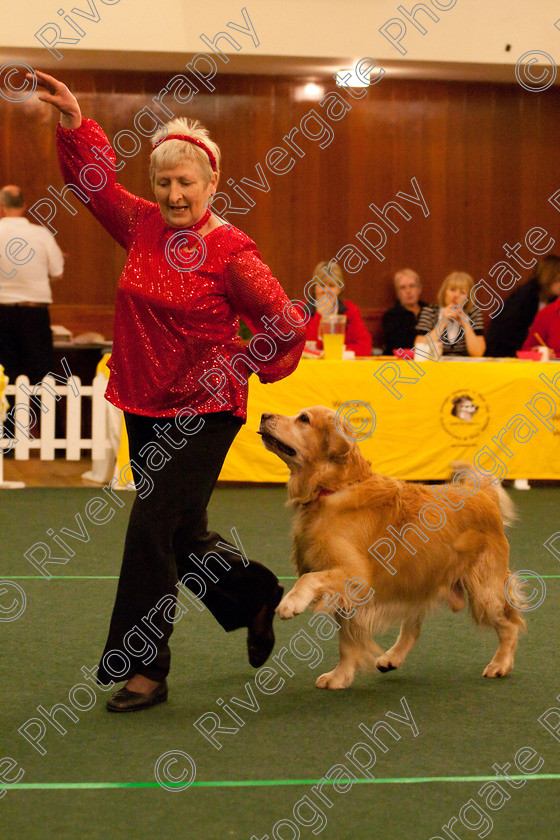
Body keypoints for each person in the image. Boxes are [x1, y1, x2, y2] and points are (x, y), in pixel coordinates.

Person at [33, 70, 306, 712]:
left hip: (204, 409)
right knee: (181, 535)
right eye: (164, 182)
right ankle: (252, 594)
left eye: (187, 182)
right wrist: (77, 124)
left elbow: (286, 324)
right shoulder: (143, 225)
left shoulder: (232, 253)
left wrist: (239, 363)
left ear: (212, 184)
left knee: (151, 532)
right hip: (145, 402)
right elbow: (94, 186)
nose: (175, 194)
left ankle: (144, 670)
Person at [0, 185, 64, 383]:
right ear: (24, 206)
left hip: (2, 312)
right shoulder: (41, 234)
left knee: (4, 375)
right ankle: (45, 414)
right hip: (34, 313)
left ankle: (6, 414)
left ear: (2, 206)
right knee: (42, 374)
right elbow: (57, 272)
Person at [485, 255, 560, 357]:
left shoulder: (552, 299)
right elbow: (507, 330)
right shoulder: (525, 296)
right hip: (504, 350)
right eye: (558, 280)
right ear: (549, 278)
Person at [304, 261, 372, 356]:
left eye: (331, 286)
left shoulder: (350, 310)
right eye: (322, 285)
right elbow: (306, 348)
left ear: (339, 289)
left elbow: (365, 347)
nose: (326, 290)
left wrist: (336, 351)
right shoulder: (300, 310)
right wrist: (320, 315)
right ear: (314, 288)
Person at [415, 271, 486, 356]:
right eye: (452, 289)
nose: (456, 295)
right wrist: (443, 323)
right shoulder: (430, 311)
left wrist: (466, 325)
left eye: (462, 292)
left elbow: (478, 353)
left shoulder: (473, 313)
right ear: (444, 292)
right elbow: (419, 350)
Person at [381, 268, 428, 354]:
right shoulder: (391, 316)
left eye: (412, 286)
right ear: (397, 294)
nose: (408, 291)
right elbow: (398, 344)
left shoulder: (430, 310)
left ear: (419, 289)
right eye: (403, 287)